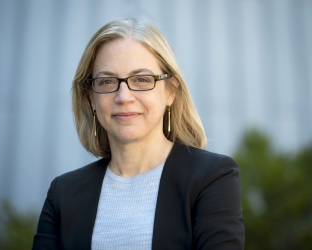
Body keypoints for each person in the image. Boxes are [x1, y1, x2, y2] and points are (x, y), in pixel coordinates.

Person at [32, 18, 244, 250]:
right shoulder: (63, 192)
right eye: (107, 81)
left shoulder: (211, 177)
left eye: (142, 79)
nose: (124, 97)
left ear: (171, 91)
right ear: (91, 97)